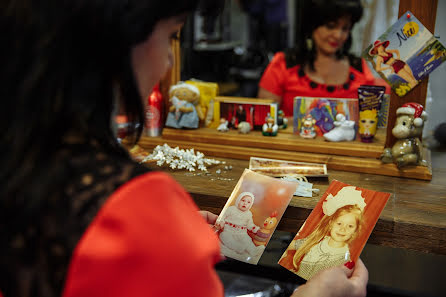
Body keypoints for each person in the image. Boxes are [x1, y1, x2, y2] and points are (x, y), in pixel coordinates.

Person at [0, 0, 368, 296]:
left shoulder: (23, 160)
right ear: (114, 42)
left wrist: (168, 242)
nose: (169, 62)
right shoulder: (135, 207)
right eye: (172, 36)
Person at [257, 0, 389, 116]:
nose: (338, 35)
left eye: (345, 28)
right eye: (330, 26)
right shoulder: (283, 64)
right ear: (312, 25)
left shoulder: (358, 67)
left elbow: (373, 118)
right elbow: (263, 119)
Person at [279, 186, 366, 280]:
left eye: (350, 226)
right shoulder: (317, 242)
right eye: (339, 223)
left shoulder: (343, 260)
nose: (343, 229)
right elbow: (293, 245)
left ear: (355, 230)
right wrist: (285, 253)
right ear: (331, 223)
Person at [216, 192, 265, 261]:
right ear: (238, 200)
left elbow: (250, 225)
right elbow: (222, 217)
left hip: (242, 233)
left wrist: (256, 229)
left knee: (247, 240)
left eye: (248, 202)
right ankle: (238, 250)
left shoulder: (248, 214)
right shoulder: (231, 209)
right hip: (228, 231)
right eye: (243, 200)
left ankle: (253, 251)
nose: (245, 203)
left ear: (250, 205)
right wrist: (221, 222)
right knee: (226, 238)